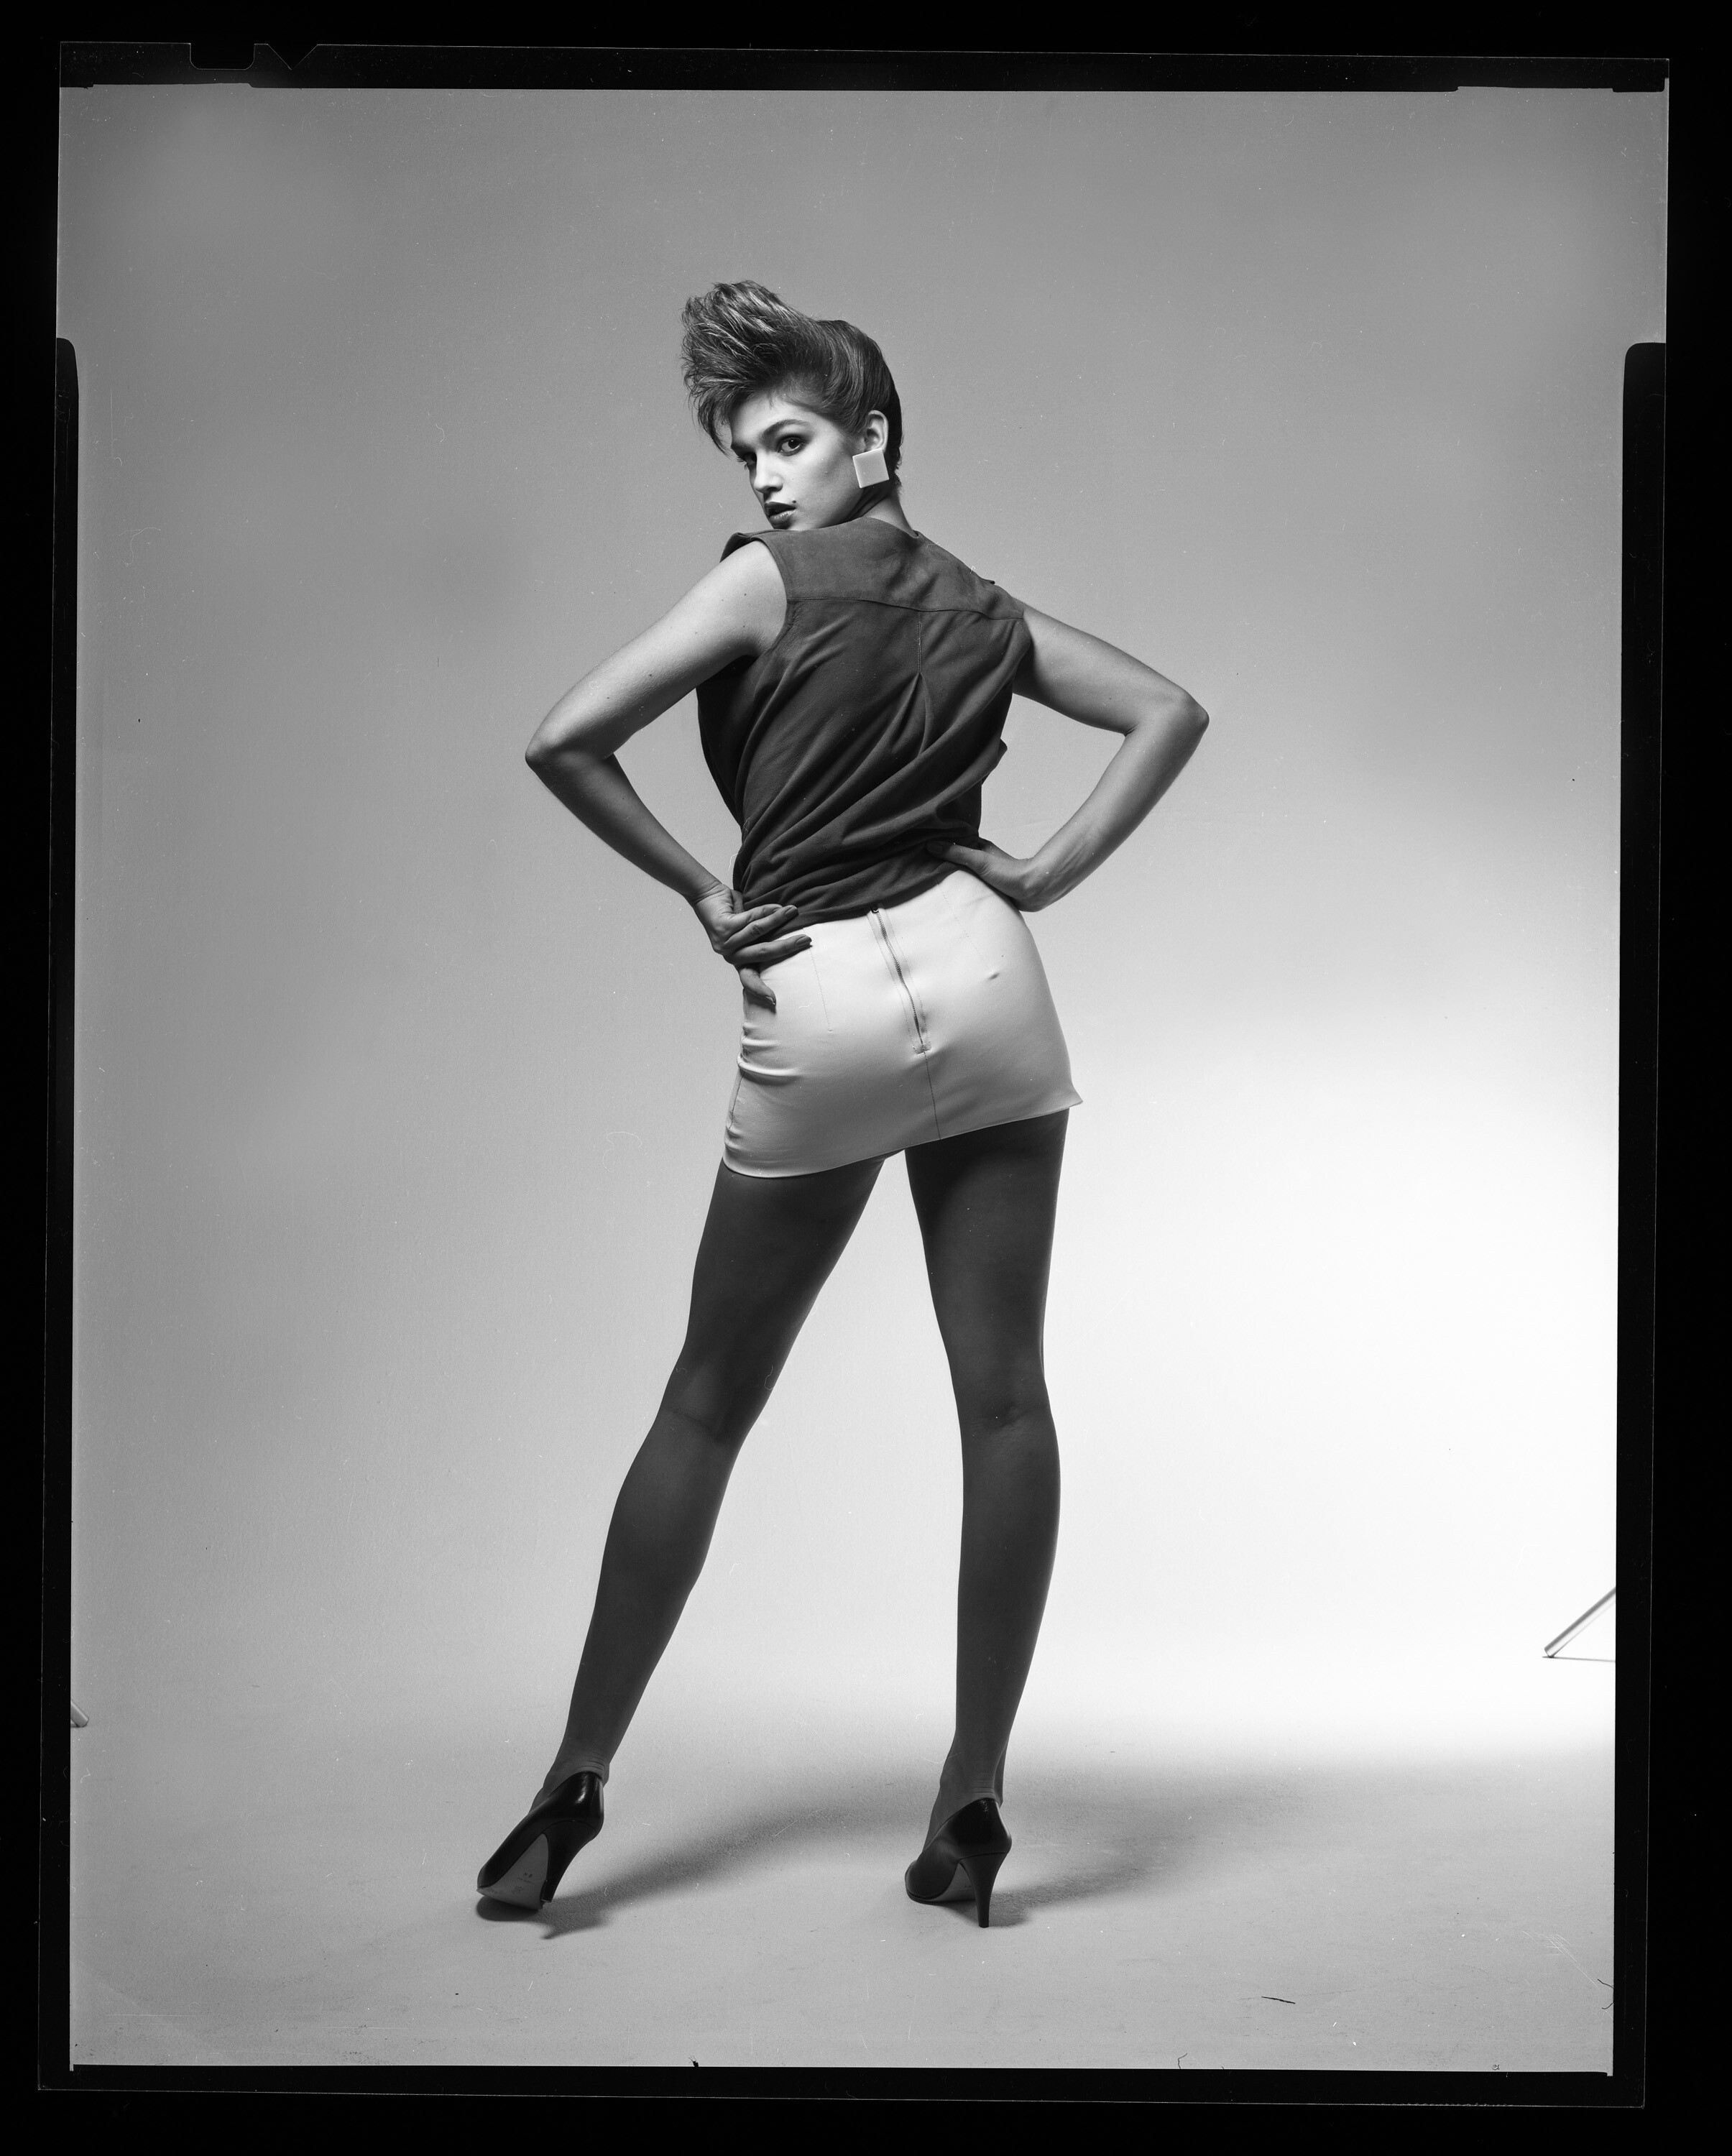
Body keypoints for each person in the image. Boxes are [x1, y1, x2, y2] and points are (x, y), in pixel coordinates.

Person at [477, 280, 1208, 1926]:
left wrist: (699, 888)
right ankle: (972, 1803)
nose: (764, 476)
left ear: (871, 439)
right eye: (747, 452)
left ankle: (571, 1789)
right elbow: (1167, 707)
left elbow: (565, 739)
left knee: (704, 1406)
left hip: (815, 992)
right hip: (986, 974)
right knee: (1004, 1404)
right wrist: (1039, 873)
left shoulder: (760, 582)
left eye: (789, 440)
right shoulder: (980, 606)